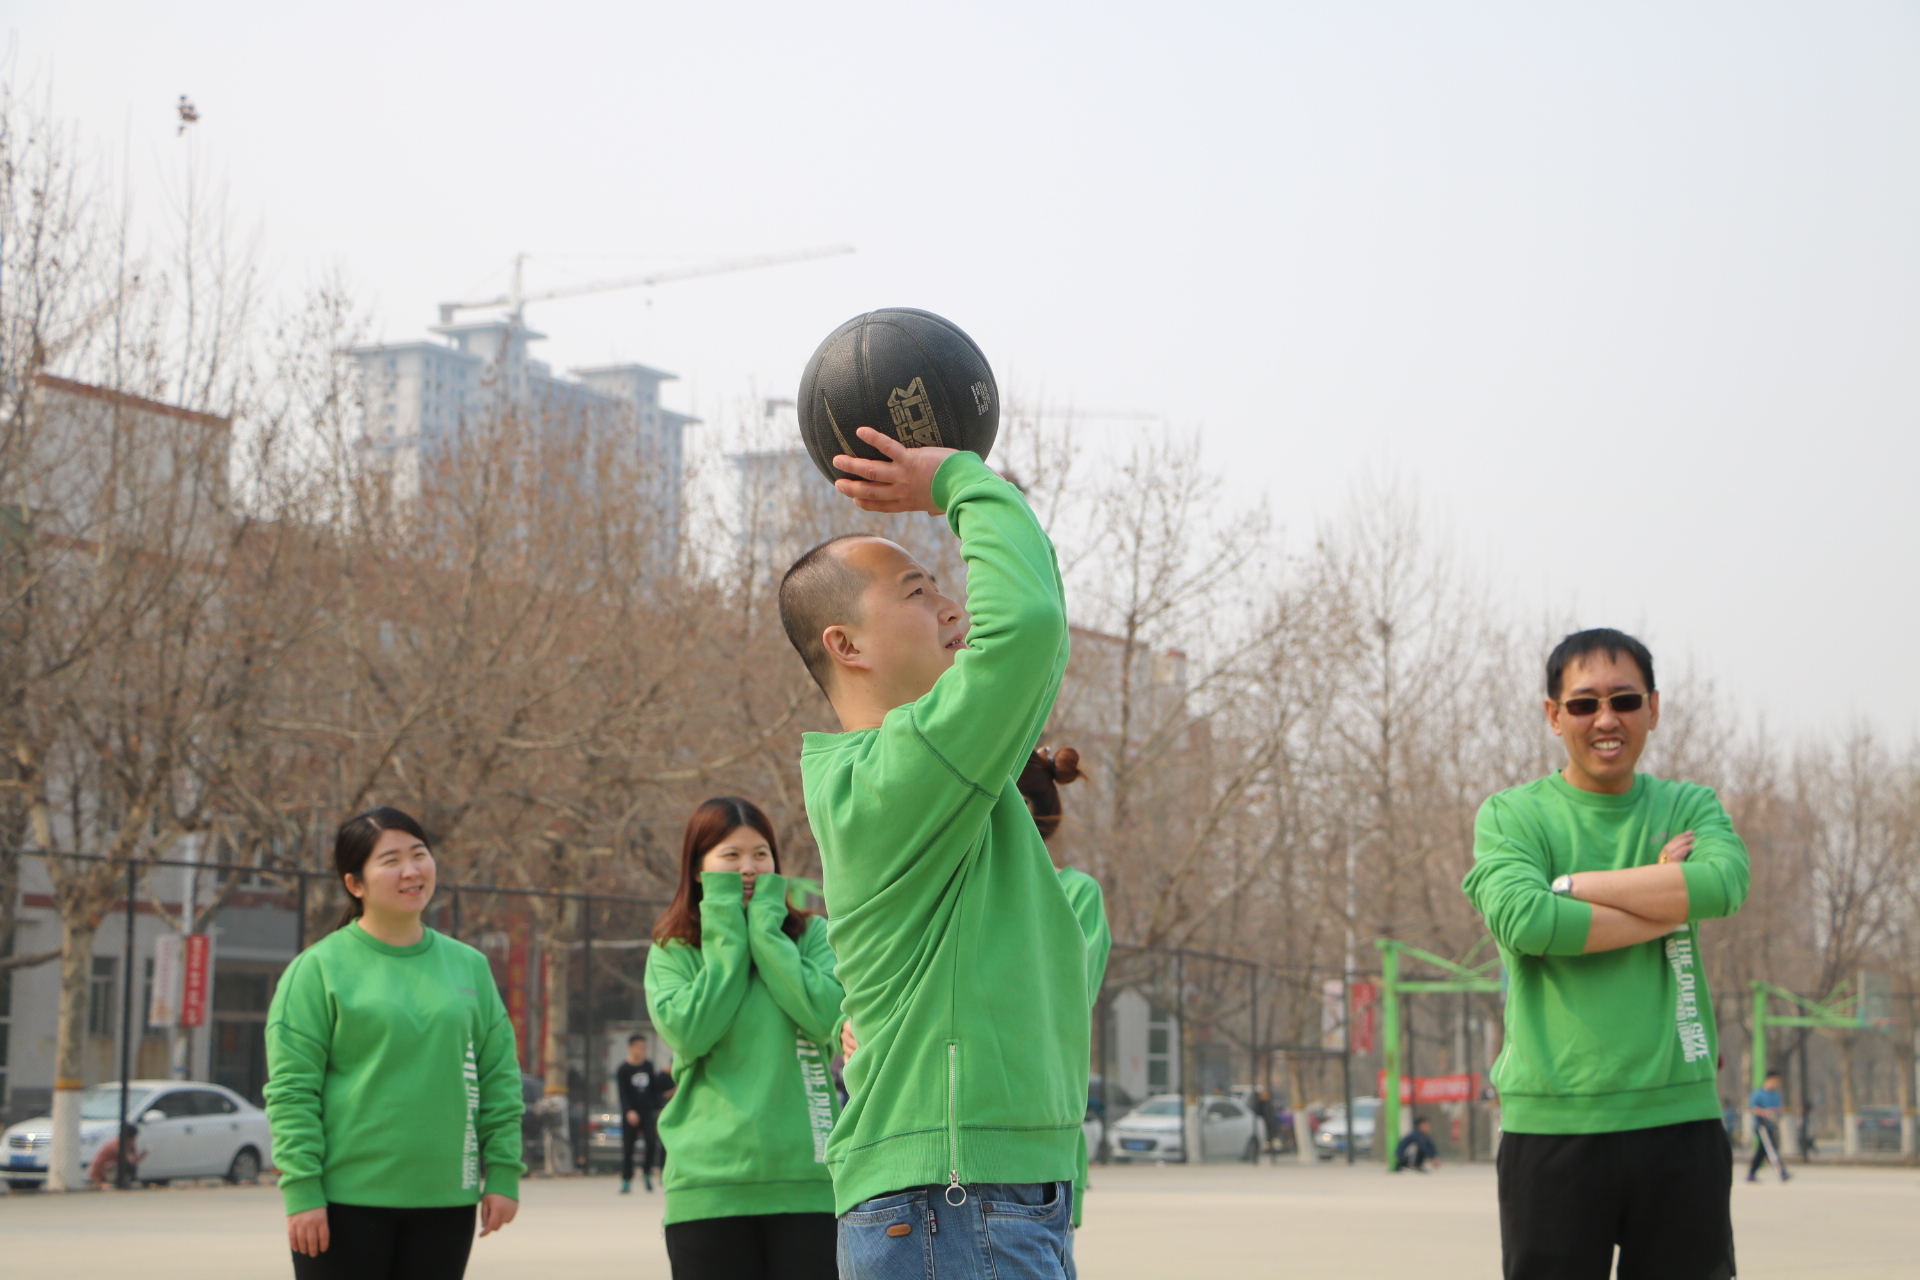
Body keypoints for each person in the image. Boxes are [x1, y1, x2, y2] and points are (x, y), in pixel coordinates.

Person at [781, 427, 1086, 1279]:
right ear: (847, 645)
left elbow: (1040, 639)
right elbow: (1024, 628)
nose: (954, 609)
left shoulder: (937, 770)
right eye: (919, 593)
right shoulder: (895, 772)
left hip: (974, 1195)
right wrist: (954, 479)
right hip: (952, 1200)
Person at [1462, 628, 1751, 1280]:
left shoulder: (1688, 805)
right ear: (1553, 715)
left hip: (1680, 1119)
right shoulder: (1514, 817)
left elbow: (1722, 886)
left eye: (1624, 699)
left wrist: (1572, 888)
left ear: (1653, 707)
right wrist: (1664, 900)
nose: (1606, 719)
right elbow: (1526, 920)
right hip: (1553, 1127)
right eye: (1585, 703)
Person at [264, 808, 523, 1279]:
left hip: (446, 1199)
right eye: (391, 860)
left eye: (419, 855)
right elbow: (292, 1092)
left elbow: (499, 1078)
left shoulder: (469, 967)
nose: (411, 871)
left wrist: (503, 1173)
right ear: (355, 883)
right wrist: (302, 1191)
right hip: (343, 1204)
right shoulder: (318, 969)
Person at [643, 796, 843, 1280]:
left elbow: (824, 1018)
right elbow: (691, 1032)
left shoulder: (812, 935)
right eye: (730, 856)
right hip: (709, 1188)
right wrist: (729, 935)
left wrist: (768, 936)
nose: (749, 868)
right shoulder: (673, 948)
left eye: (760, 854)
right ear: (697, 869)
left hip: (809, 1181)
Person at [615, 1035, 665, 1193]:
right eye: (639, 1047)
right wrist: (629, 1111)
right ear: (631, 1048)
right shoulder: (623, 1069)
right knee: (628, 1147)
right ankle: (626, 1180)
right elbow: (622, 1093)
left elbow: (654, 1089)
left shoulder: (648, 1066)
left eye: (644, 1047)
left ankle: (647, 1174)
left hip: (647, 1112)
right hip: (630, 1113)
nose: (642, 1051)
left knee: (651, 1143)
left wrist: (657, 1106)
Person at [1748, 1071, 1790, 1183]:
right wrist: (1765, 1112)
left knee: (1762, 1151)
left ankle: (1751, 1174)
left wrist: (1778, 1112)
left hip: (1771, 1126)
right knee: (1771, 1148)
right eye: (1775, 1081)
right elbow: (1753, 1108)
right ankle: (1781, 1171)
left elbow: (1778, 1109)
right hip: (1761, 1126)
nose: (1776, 1084)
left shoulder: (1776, 1094)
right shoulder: (1758, 1094)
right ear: (1769, 1080)